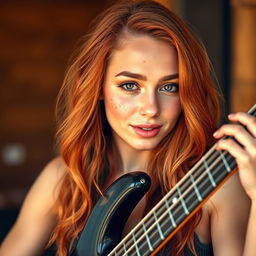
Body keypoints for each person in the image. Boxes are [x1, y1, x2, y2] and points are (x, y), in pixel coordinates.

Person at [0, 0, 255, 255]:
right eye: (130, 85)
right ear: (98, 86)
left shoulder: (218, 188)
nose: (151, 108)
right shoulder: (63, 179)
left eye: (170, 87)